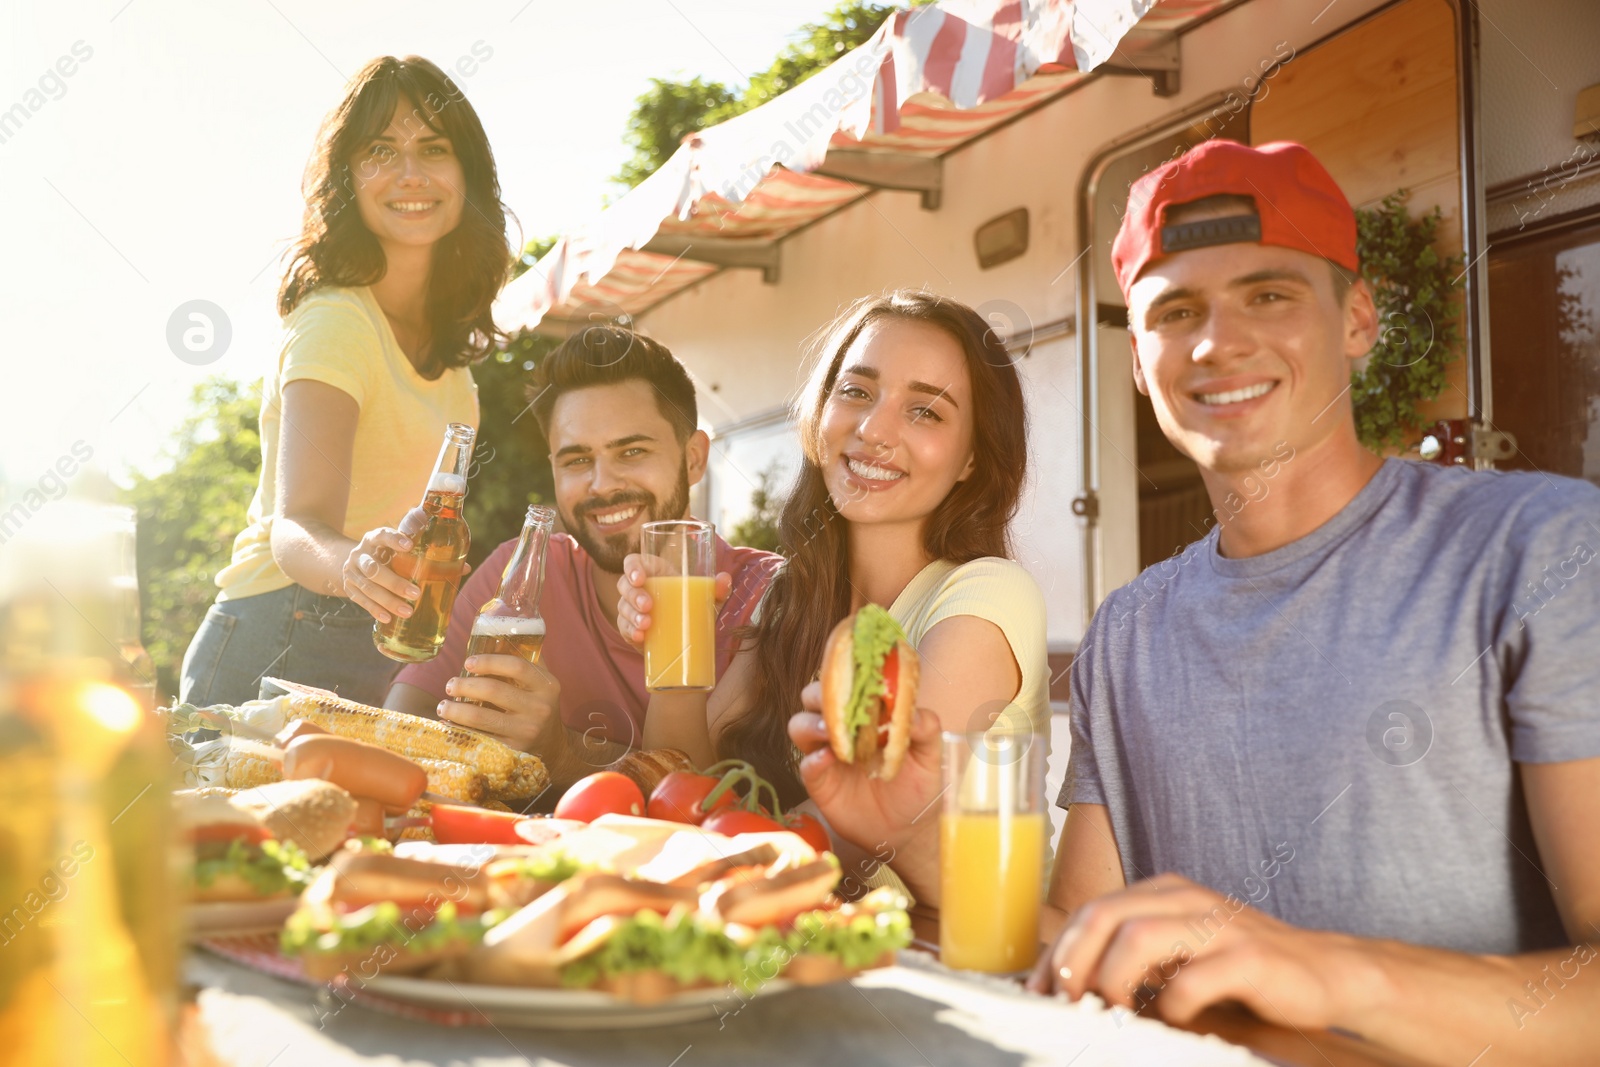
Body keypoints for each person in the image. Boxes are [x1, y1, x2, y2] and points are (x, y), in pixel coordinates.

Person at [791, 141, 1600, 1065]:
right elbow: (1077, 937)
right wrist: (900, 825)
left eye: (1269, 294)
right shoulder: (1128, 630)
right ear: (1139, 361)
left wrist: (1325, 970)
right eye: (1177, 311)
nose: (1218, 342)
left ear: (1358, 318)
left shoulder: (1543, 549)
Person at [616, 290, 1050, 895]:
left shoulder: (987, 596)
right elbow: (687, 784)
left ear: (972, 457)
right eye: (856, 391)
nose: (874, 430)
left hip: (958, 967)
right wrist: (671, 659)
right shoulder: (786, 594)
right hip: (799, 944)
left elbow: (856, 821)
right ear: (819, 413)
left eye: (926, 411)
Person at [181, 56, 508, 708]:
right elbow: (297, 523)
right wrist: (356, 564)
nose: (409, 173)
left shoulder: (455, 366)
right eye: (380, 150)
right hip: (274, 628)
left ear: (466, 173)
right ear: (348, 178)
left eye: (433, 149)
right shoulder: (336, 320)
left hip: (373, 644)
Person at [382, 326, 780, 789]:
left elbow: (698, 798)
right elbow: (397, 730)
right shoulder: (522, 573)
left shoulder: (768, 597)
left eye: (631, 451)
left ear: (693, 458)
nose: (602, 484)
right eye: (576, 460)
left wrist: (559, 753)